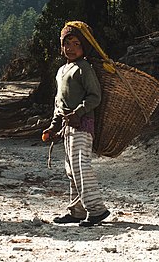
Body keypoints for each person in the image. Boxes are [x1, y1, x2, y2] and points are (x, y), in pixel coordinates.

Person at [42, 20, 110, 227]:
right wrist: (54, 126)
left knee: (81, 167)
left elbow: (94, 97)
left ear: (85, 47)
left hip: (83, 125)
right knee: (71, 170)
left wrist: (78, 112)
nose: (70, 48)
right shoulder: (62, 70)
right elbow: (58, 103)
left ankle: (97, 210)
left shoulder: (84, 68)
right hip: (67, 128)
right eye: (66, 43)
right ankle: (77, 211)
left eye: (76, 44)